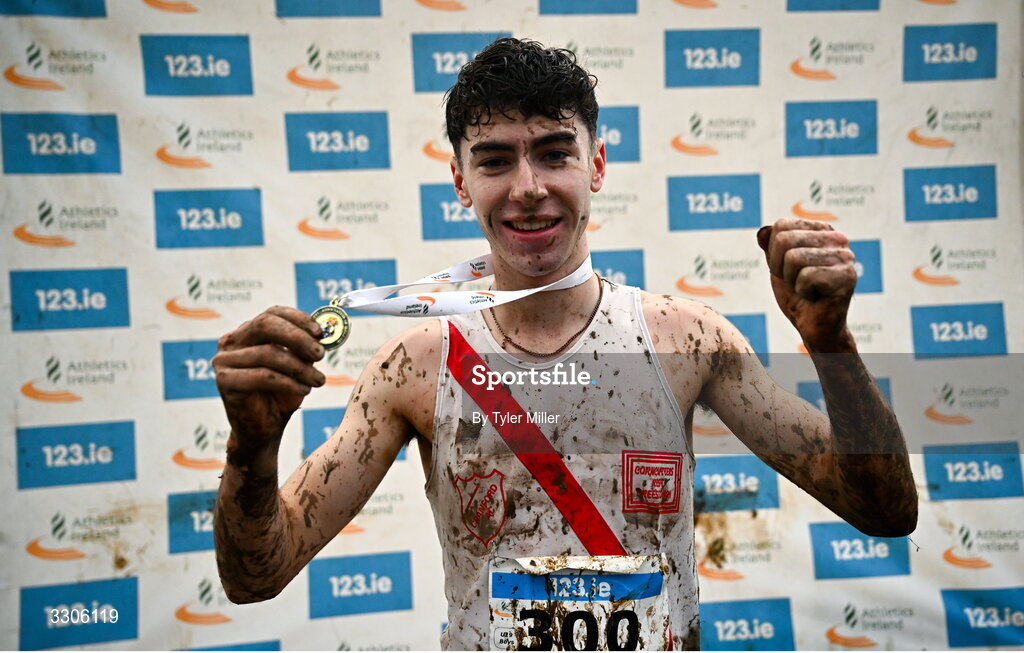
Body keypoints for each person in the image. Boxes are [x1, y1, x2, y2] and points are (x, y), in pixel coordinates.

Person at [212, 37, 917, 650]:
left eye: (554, 154)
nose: (527, 188)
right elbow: (258, 574)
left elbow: (884, 511)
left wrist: (832, 345)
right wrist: (252, 447)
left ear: (598, 164)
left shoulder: (687, 339)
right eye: (495, 161)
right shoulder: (415, 367)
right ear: (460, 181)